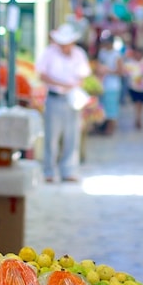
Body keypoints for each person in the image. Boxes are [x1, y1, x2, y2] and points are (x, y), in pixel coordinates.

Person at [35, 23, 92, 182]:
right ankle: (49, 171)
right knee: (51, 137)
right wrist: (62, 84)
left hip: (72, 100)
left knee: (72, 137)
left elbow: (83, 76)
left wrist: (73, 86)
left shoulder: (79, 54)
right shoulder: (49, 53)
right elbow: (42, 75)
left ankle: (69, 171)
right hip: (54, 98)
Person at [95, 35, 123, 136]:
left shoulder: (117, 55)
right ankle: (103, 127)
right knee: (102, 107)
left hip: (113, 86)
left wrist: (108, 70)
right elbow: (98, 66)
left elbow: (120, 71)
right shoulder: (102, 53)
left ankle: (110, 129)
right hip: (102, 84)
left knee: (112, 108)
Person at [124, 46, 143, 130]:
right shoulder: (130, 62)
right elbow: (126, 72)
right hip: (133, 86)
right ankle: (137, 118)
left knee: (141, 103)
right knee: (136, 103)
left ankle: (139, 117)